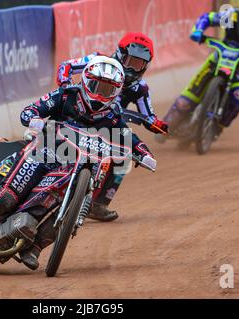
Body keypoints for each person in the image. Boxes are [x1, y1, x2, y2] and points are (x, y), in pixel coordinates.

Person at [0, 56, 158, 270]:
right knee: (6, 197)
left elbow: (129, 138)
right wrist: (35, 119)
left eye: (107, 89)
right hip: (43, 152)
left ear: (116, 92)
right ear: (87, 81)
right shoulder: (66, 95)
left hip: (71, 167)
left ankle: (35, 247)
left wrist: (143, 153)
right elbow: (30, 110)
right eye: (97, 86)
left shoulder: (112, 116)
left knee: (62, 206)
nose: (100, 94)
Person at [56, 32, 168, 222]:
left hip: (107, 125)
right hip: (78, 112)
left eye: (139, 64)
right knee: (50, 130)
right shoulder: (98, 60)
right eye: (130, 60)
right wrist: (65, 84)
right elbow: (66, 66)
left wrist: (158, 125)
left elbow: (148, 116)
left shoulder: (140, 88)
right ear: (119, 54)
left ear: (146, 65)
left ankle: (99, 203)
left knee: (123, 154)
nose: (133, 67)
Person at [162, 0, 239, 139]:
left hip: (237, 70)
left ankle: (218, 127)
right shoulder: (233, 17)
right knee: (185, 102)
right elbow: (208, 18)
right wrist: (198, 30)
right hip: (215, 62)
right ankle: (163, 127)